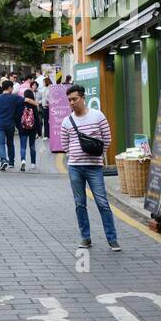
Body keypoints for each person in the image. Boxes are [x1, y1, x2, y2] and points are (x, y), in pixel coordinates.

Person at [63, 83, 120, 251]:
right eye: (69, 100)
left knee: (102, 202)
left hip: (94, 167)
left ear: (83, 98)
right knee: (79, 203)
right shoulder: (67, 121)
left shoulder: (97, 116)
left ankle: (112, 239)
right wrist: (74, 155)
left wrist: (97, 155)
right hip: (74, 167)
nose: (72, 103)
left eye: (74, 99)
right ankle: (85, 238)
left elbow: (107, 138)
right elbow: (65, 145)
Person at [0, 78, 24, 171]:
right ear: (9, 88)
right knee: (10, 143)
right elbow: (24, 100)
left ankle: (3, 160)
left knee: (1, 143)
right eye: (12, 87)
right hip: (10, 124)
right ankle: (11, 162)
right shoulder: (15, 98)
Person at [17, 86, 40, 171]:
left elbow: (17, 116)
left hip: (22, 128)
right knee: (32, 146)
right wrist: (39, 132)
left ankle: (23, 160)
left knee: (23, 146)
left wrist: (18, 126)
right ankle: (33, 163)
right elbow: (37, 118)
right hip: (32, 128)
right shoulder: (34, 106)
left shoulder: (21, 104)